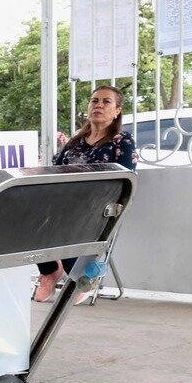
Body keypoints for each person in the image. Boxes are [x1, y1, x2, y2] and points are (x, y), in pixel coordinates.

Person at [34, 85, 137, 304]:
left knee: (67, 222)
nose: (98, 105)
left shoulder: (121, 141)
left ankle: (82, 275)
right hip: (65, 202)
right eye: (94, 100)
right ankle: (50, 270)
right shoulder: (75, 142)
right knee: (31, 214)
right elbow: (54, 171)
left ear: (117, 110)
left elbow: (127, 180)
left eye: (106, 101)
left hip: (99, 207)